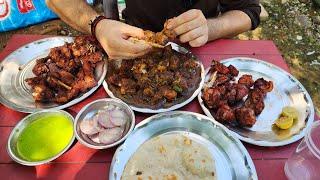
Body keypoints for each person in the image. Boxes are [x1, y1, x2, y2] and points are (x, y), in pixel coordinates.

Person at [46, 0, 261, 59]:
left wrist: (211, 28)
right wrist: (98, 25)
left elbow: (250, 12)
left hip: (200, 55)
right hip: (129, 49)